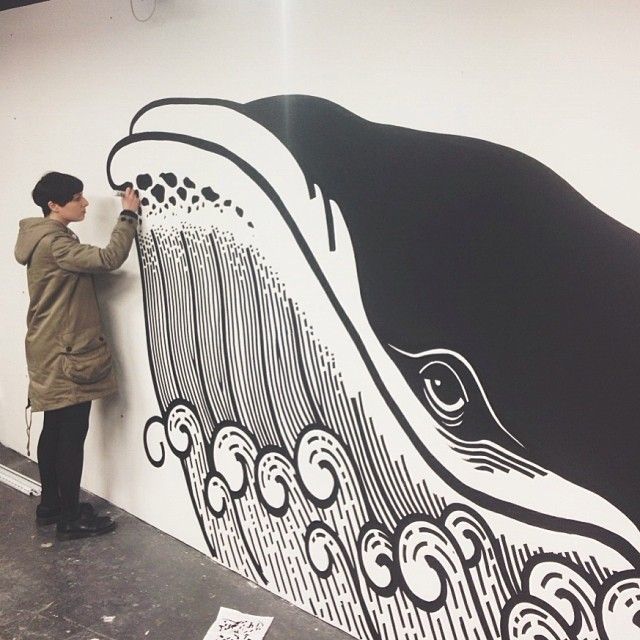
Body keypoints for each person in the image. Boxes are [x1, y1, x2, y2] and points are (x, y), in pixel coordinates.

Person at [14, 171, 140, 541]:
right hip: (65, 354)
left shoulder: (42, 239)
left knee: (54, 430)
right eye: (77, 198)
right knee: (70, 434)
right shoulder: (56, 244)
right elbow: (108, 258)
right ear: (54, 205)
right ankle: (70, 517)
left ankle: (51, 506)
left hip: (49, 347)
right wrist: (128, 214)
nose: (85, 203)